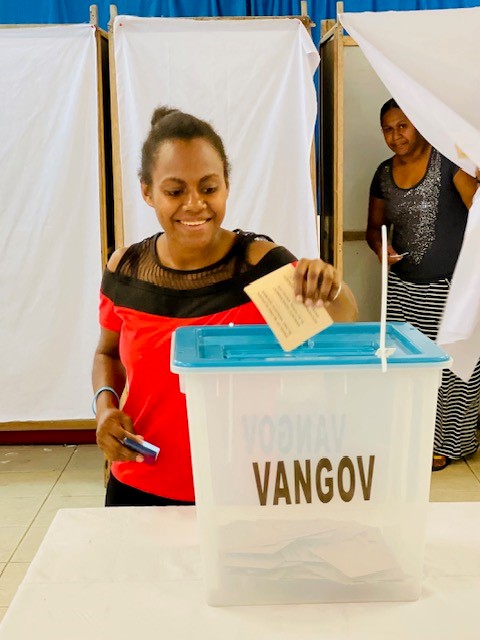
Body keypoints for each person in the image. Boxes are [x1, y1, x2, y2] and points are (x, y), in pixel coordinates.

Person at [92, 106, 358, 506]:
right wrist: (105, 411)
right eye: (175, 190)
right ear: (147, 191)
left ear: (227, 186)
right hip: (140, 483)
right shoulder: (124, 269)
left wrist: (329, 284)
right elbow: (106, 352)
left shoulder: (261, 266)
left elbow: (342, 316)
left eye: (209, 187)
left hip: (243, 488)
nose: (195, 204)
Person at [367, 98, 480, 472]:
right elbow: (373, 228)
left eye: (402, 126)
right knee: (408, 365)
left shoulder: (449, 162)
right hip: (403, 288)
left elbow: (477, 209)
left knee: (450, 366)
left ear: (417, 124)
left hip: (449, 288)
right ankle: (414, 437)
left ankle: (451, 444)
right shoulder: (383, 174)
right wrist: (381, 248)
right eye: (388, 128)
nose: (395, 135)